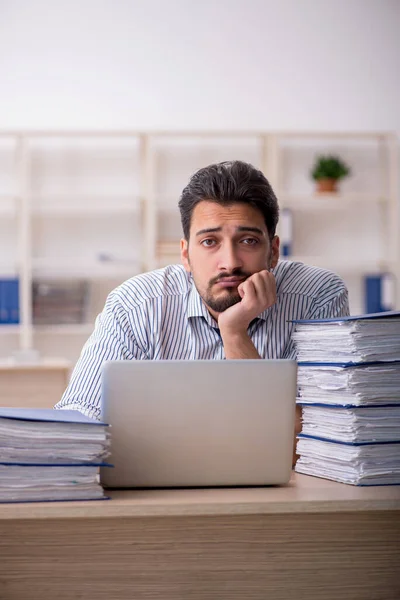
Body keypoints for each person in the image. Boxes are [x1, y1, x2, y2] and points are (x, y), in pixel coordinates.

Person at [55, 161, 349, 460]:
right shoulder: (134, 305)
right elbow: (81, 422)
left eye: (248, 241)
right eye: (210, 242)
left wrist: (235, 333)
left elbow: (324, 439)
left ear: (273, 251)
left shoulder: (317, 296)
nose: (230, 262)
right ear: (185, 253)